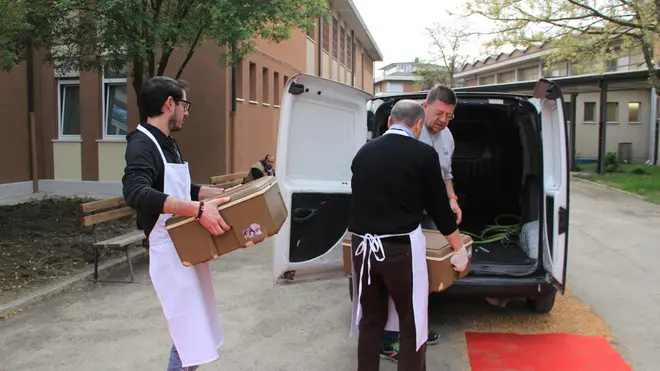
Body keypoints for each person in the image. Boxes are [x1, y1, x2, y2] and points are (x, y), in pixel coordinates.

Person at [348, 99, 469, 371]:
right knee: (411, 321)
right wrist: (459, 249)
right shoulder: (423, 155)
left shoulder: (363, 152)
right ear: (417, 125)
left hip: (362, 250)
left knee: (371, 320)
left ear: (390, 122)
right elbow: (440, 210)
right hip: (399, 251)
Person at [122, 76, 231, 371]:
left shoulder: (168, 144)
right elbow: (136, 192)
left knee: (195, 333)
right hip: (167, 252)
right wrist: (198, 210)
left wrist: (226, 195)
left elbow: (182, 190)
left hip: (185, 245)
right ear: (170, 104)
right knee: (188, 336)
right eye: (185, 105)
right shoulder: (142, 144)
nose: (186, 112)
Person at [379, 84, 462, 362]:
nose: (443, 120)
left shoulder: (447, 136)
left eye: (449, 116)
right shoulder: (409, 132)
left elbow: (445, 172)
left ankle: (416, 328)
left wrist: (452, 198)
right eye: (439, 113)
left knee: (423, 272)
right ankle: (390, 337)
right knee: (400, 274)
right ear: (424, 107)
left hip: (433, 212)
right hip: (406, 215)